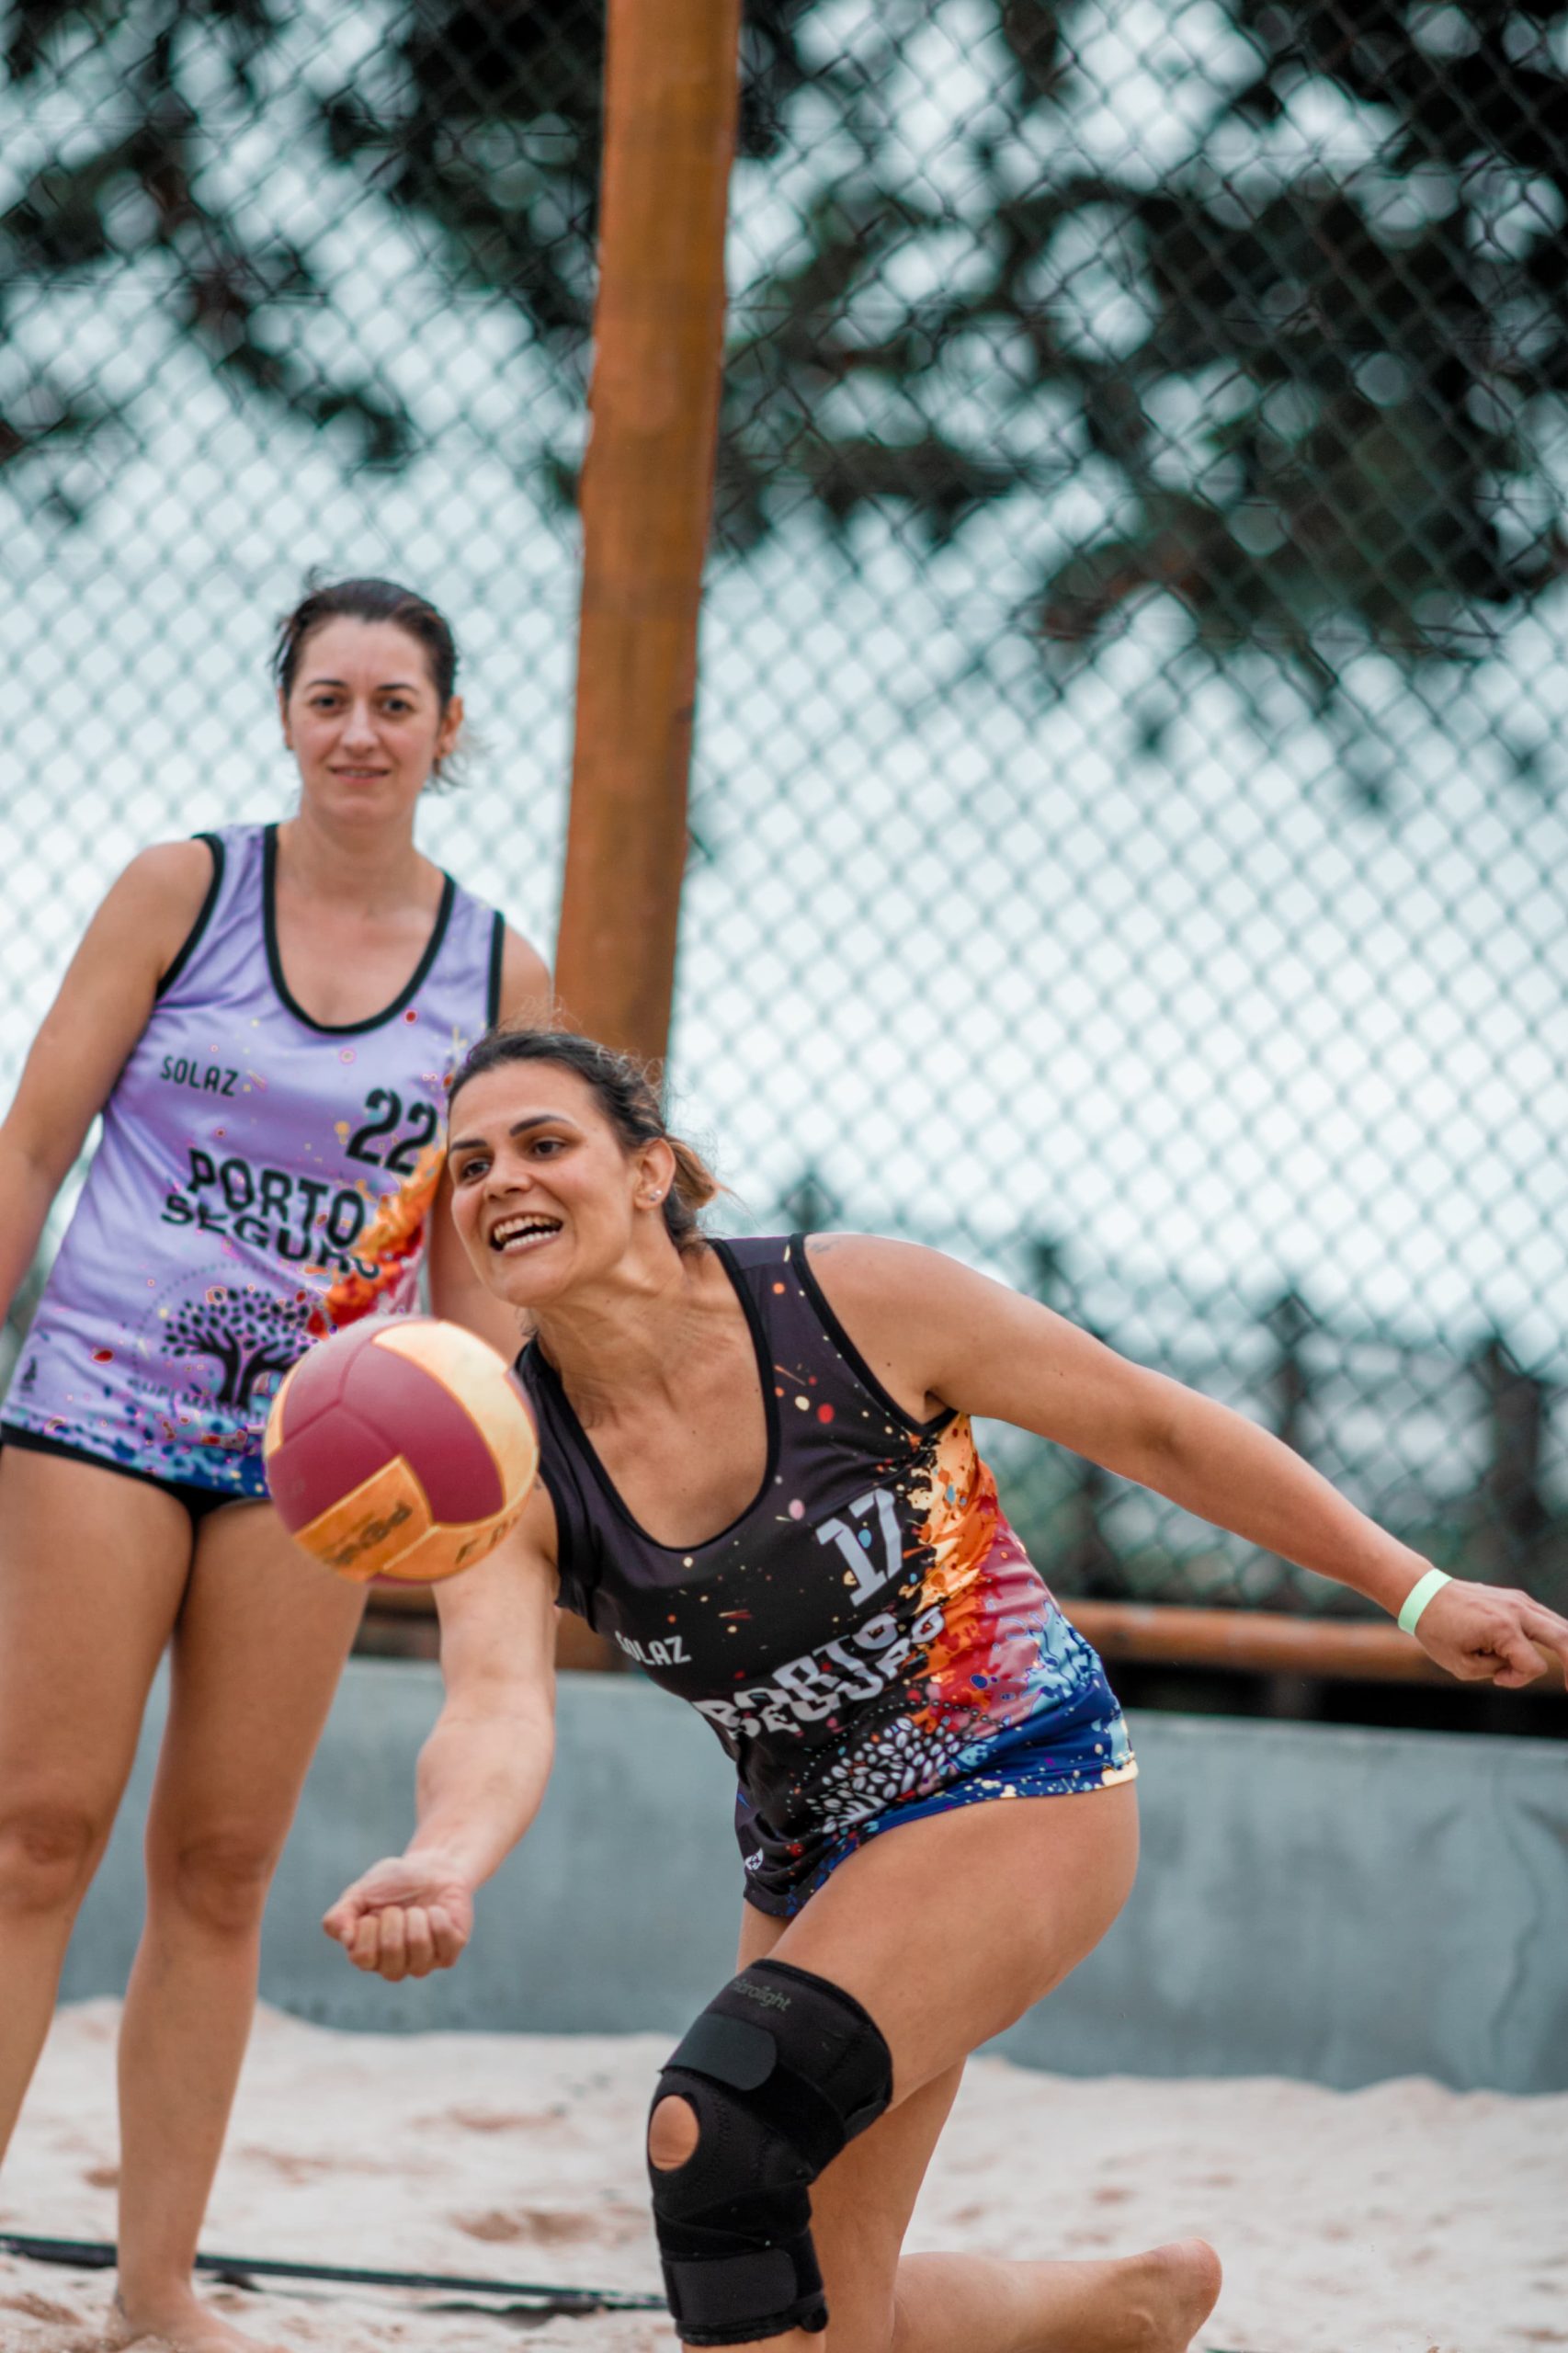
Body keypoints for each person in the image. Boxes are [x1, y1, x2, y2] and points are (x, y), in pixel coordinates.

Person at [324, 1028, 1568, 2353]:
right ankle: (1122, 2309)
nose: (501, 1181)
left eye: (543, 1143)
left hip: (1020, 1779)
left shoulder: (849, 1303)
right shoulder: (507, 1459)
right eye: (470, 1164)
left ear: (649, 1171)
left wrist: (1417, 1593)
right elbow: (495, 1707)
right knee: (820, 2308)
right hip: (810, 1854)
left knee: (717, 2127)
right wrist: (442, 1860)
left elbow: (1152, 1427)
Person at [0, 577, 550, 2353]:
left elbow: (482, 1267)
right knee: (34, 1835)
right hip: (98, 1408)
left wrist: (480, 1452)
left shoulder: (496, 969)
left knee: (225, 1867)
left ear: (446, 732)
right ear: (287, 716)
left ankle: (154, 2293)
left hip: (319, 1463)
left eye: (396, 703)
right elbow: (33, 1147)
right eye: (329, 698)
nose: (359, 732)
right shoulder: (184, 891)